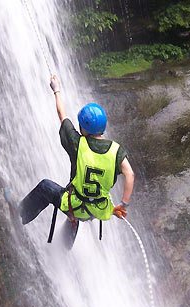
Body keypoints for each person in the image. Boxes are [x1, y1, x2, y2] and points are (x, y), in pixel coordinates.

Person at [17, 75, 135, 242]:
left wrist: (56, 89)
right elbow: (130, 174)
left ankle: (19, 216)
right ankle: (65, 244)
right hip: (99, 210)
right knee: (78, 210)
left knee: (46, 187)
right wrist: (124, 204)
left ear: (83, 127)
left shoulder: (78, 143)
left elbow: (62, 115)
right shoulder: (116, 150)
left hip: (76, 206)